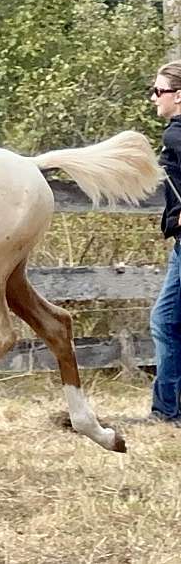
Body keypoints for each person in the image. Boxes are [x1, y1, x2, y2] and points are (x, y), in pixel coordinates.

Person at [149, 60, 181, 423]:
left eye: (159, 91)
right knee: (165, 321)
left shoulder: (175, 135)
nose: (153, 98)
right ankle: (167, 410)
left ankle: (167, 410)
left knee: (166, 322)